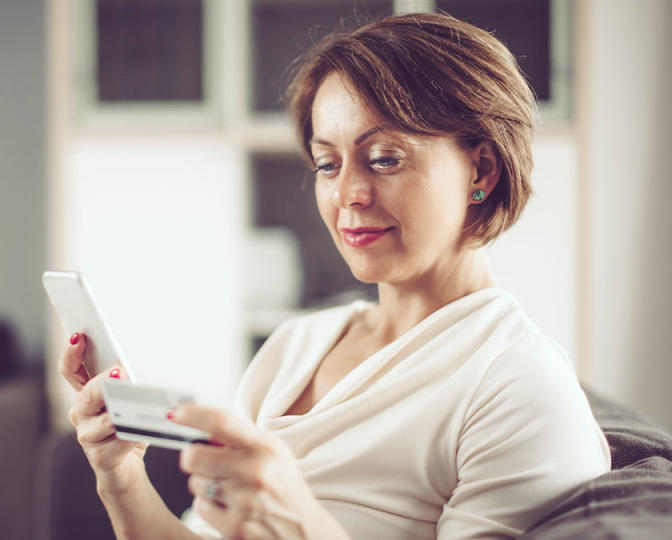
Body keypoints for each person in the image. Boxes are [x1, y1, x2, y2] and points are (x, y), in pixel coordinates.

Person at [58, 12, 610, 539]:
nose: (348, 193)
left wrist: (304, 526)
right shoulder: (294, 346)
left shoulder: (517, 386)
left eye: (385, 158)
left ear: (481, 170)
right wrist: (122, 478)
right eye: (328, 163)